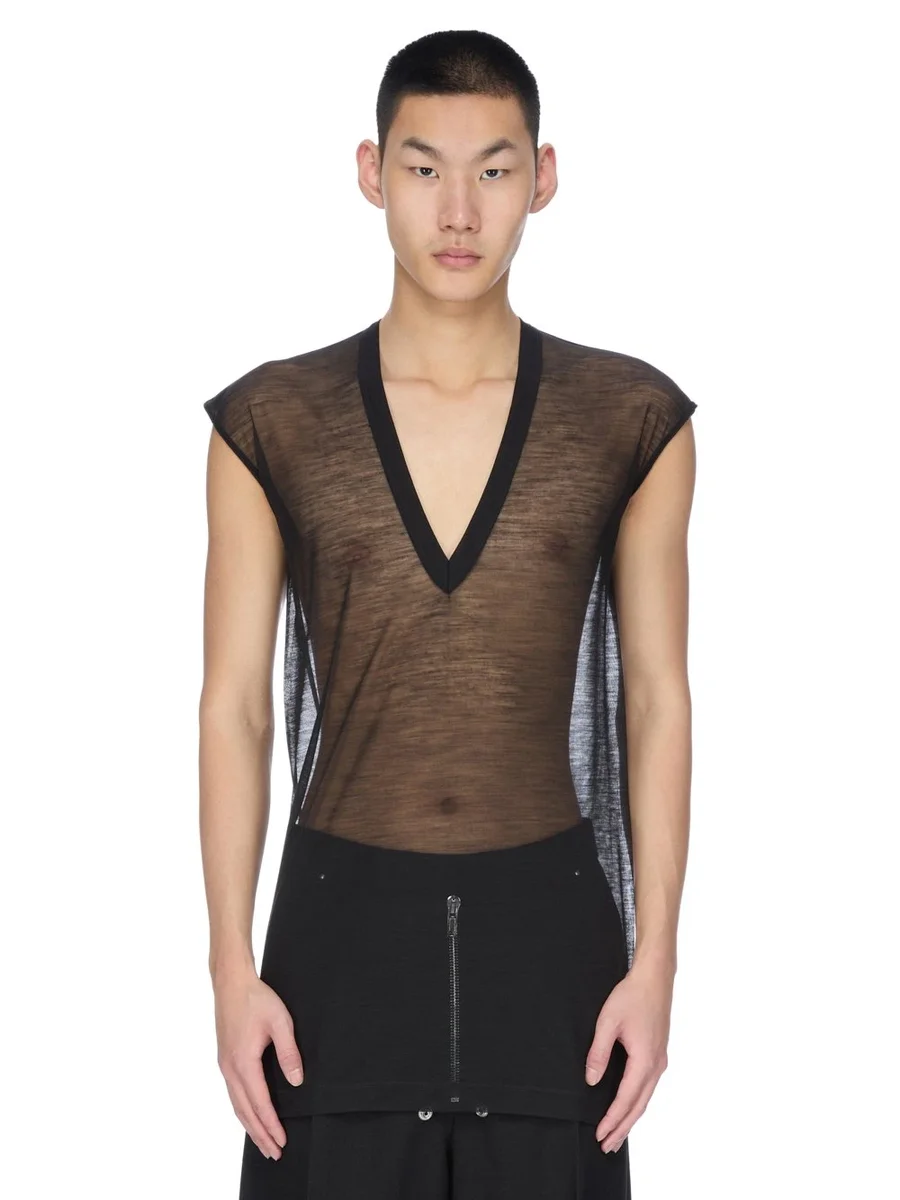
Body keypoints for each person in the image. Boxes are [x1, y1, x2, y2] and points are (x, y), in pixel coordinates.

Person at [200, 27, 696, 1200]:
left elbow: (659, 701)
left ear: (543, 177)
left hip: (555, 955)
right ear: (372, 174)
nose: (459, 211)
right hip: (335, 953)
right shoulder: (272, 421)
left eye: (494, 169)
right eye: (425, 168)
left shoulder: (631, 418)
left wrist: (658, 963)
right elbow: (233, 708)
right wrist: (228, 965)